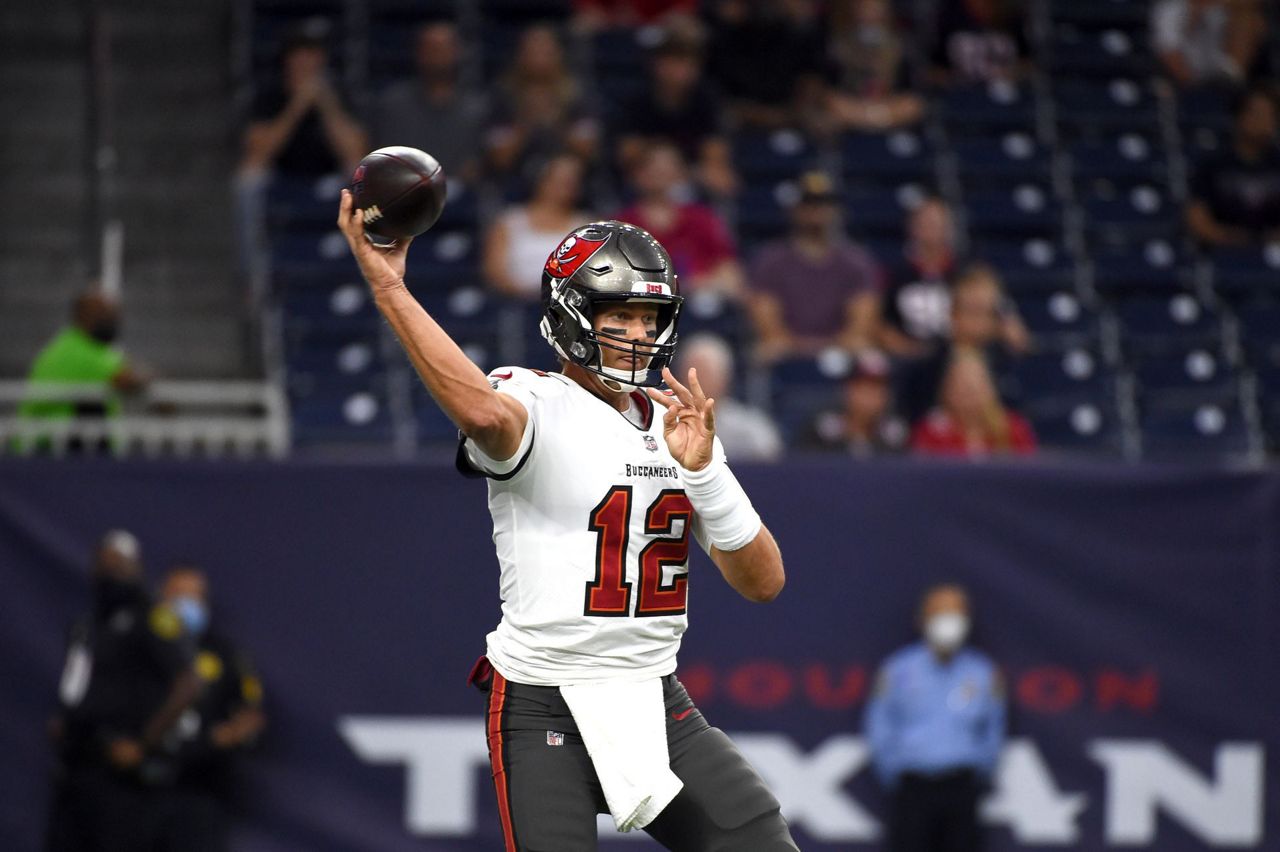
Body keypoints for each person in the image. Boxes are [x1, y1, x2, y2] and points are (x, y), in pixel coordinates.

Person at [336, 192, 798, 850]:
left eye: (650, 317)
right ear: (573, 316)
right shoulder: (533, 401)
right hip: (543, 698)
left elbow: (764, 582)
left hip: (650, 696)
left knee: (758, 839)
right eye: (621, 315)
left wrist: (705, 474)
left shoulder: (681, 427)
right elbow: (486, 417)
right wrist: (389, 286)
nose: (639, 334)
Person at [45, 531, 200, 852]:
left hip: (120, 775)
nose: (111, 573)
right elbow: (79, 679)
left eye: (120, 565)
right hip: (76, 763)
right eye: (105, 564)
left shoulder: (153, 618)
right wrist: (67, 718)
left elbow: (190, 682)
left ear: (137, 569)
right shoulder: (88, 624)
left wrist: (143, 744)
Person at [864, 584, 1005, 852]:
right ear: (922, 619)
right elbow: (880, 726)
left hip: (962, 786)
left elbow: (993, 731)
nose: (949, 621)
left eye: (956, 612)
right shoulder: (897, 671)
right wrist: (894, 771)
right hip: (913, 787)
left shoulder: (984, 673)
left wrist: (979, 773)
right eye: (941, 612)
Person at [153, 565, 266, 852]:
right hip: (134, 789)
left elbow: (250, 716)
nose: (187, 606)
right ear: (160, 596)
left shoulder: (224, 656)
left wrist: (234, 734)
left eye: (196, 597)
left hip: (199, 790)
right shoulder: (135, 645)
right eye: (180, 595)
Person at [747, 171, 882, 361]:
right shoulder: (771, 260)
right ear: (795, 209)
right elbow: (770, 331)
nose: (816, 212)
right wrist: (805, 347)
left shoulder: (857, 261)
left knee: (866, 351)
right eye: (809, 204)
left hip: (842, 353)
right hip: (784, 354)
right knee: (767, 349)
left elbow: (859, 328)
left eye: (823, 204)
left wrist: (824, 348)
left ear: (836, 210)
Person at [15, 290, 147, 455]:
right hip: (45, 451)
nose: (112, 320)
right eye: (103, 314)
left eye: (113, 314)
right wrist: (150, 377)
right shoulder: (76, 350)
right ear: (82, 317)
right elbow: (127, 380)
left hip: (67, 449)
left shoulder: (95, 350)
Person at [614, 24, 739, 198]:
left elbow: (715, 154)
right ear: (656, 64)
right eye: (670, 60)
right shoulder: (638, 99)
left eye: (685, 61)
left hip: (690, 176)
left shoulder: (706, 100)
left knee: (719, 179)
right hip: (647, 176)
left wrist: (680, 169)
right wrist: (663, 159)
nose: (678, 71)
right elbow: (628, 154)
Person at [898, 262, 1031, 422]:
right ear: (953, 314)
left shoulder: (1007, 367)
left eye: (987, 312)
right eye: (972, 311)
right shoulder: (928, 366)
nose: (979, 322)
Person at [239, 20, 367, 179]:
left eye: (313, 52)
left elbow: (356, 150)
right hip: (280, 176)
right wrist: (297, 105)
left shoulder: (340, 92)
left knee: (359, 170)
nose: (306, 60)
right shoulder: (271, 94)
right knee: (249, 175)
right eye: (300, 52)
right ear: (287, 56)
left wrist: (327, 105)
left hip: (330, 178)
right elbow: (258, 150)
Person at [617, 142, 745, 297]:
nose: (659, 173)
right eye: (652, 168)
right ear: (638, 175)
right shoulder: (623, 224)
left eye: (666, 168)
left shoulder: (702, 218)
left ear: (680, 173)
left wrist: (698, 284)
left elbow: (730, 272)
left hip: (700, 302)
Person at [484, 25, 600, 193]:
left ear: (559, 54)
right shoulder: (503, 97)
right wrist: (526, 119)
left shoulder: (577, 95)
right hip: (516, 182)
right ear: (521, 56)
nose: (539, 59)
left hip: (570, 181)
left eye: (546, 52)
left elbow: (586, 151)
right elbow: (501, 159)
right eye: (533, 52)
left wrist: (555, 117)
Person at [370, 21, 487, 184]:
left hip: (461, 192)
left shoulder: (479, 107)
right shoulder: (393, 104)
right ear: (418, 52)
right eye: (431, 48)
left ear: (458, 51)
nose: (437, 55)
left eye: (443, 48)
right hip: (402, 189)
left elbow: (482, 162)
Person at [706, 0, 834, 135]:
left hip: (791, 120)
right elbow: (721, 100)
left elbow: (812, 79)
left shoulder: (804, 34)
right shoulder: (723, 32)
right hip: (741, 123)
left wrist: (799, 113)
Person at [483, 153, 593, 301]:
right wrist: (533, 295)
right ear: (542, 181)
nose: (568, 186)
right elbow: (495, 272)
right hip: (516, 305)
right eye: (561, 180)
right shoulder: (509, 222)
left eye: (573, 181)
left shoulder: (587, 226)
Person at [1186, 86, 1280, 247]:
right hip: (1222, 253)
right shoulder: (1214, 163)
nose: (1264, 121)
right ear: (1239, 116)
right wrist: (1232, 241)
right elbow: (1197, 217)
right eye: (1257, 114)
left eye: (1270, 115)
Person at [675, 333, 783, 462]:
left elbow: (773, 467)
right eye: (691, 374)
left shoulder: (751, 427)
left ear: (725, 379)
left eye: (705, 374)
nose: (697, 382)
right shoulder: (663, 422)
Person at [910, 349, 1036, 457]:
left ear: (990, 389)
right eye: (962, 386)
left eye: (975, 386)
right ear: (946, 390)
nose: (969, 393)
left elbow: (1028, 476)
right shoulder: (931, 432)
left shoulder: (1013, 429)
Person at [878, 198, 962, 358]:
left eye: (936, 223)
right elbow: (880, 322)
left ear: (949, 229)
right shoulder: (895, 272)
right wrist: (907, 349)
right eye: (925, 223)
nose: (931, 229)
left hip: (956, 355)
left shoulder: (964, 272)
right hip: (905, 357)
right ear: (912, 227)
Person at [827, 0, 926, 132]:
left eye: (876, 8)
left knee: (912, 106)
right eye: (866, 8)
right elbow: (831, 88)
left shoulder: (901, 44)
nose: (870, 13)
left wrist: (880, 111)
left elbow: (912, 93)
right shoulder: (840, 45)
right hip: (853, 105)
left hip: (890, 105)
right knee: (833, 106)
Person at [795, 349, 907, 456]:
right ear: (848, 390)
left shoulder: (895, 436)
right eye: (866, 387)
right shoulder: (820, 432)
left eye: (880, 388)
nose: (872, 396)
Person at [1152, 0, 1267, 88]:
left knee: (1247, 17)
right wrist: (1193, 16)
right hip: (1187, 80)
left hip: (1223, 75)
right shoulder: (1170, 10)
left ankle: (1233, 84)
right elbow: (1170, 53)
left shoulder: (1220, 8)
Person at [928, 0, 1031, 86]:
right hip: (963, 97)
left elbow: (1027, 63)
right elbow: (936, 70)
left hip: (1008, 95)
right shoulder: (948, 15)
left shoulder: (1011, 14)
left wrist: (1012, 73)